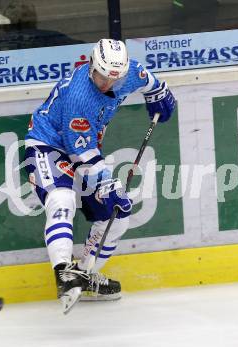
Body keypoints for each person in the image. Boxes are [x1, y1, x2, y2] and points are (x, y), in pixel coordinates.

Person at [24, 39, 175, 313]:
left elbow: (149, 80)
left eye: (113, 79)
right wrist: (108, 185)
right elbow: (79, 154)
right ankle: (65, 274)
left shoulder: (126, 74)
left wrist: (159, 95)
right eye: (102, 77)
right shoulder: (79, 96)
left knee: (118, 217)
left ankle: (85, 274)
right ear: (93, 65)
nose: (107, 84)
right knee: (61, 201)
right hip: (48, 147)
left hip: (85, 150)